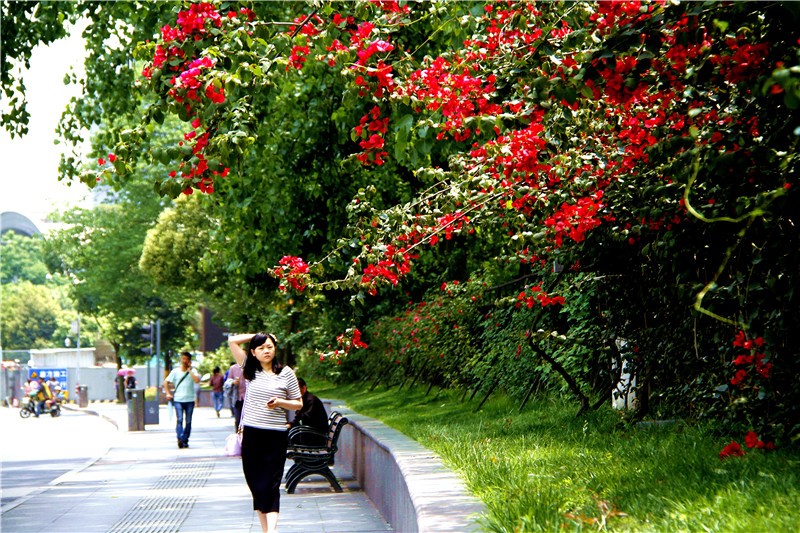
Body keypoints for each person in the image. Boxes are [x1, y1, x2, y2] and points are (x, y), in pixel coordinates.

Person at [228, 332, 302, 533]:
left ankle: (272, 530)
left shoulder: (286, 373)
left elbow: (298, 403)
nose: (266, 351)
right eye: (260, 348)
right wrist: (258, 335)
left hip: (275, 435)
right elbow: (232, 340)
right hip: (252, 435)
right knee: (256, 484)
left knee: (271, 484)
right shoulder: (250, 370)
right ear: (253, 352)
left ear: (275, 348)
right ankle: (266, 530)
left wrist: (280, 402)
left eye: (269, 346)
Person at [164, 352, 201, 448]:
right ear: (181, 359)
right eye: (183, 358)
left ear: (189, 361)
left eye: (186, 359)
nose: (184, 361)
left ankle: (185, 439)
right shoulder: (175, 371)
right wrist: (168, 393)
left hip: (189, 400)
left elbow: (196, 380)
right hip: (178, 400)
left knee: (188, 421)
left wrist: (190, 371)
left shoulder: (193, 371)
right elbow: (166, 381)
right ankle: (180, 438)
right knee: (179, 419)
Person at [288, 377, 328, 446]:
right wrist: (290, 424)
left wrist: (292, 425)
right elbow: (299, 418)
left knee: (285, 436)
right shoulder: (304, 400)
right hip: (309, 433)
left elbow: (306, 418)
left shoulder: (311, 400)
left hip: (316, 437)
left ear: (304, 388)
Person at [228, 359, 246, 429]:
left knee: (247, 420)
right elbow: (228, 381)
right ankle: (238, 436)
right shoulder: (233, 368)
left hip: (248, 398)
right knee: (238, 419)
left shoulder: (251, 367)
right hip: (237, 397)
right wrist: (233, 382)